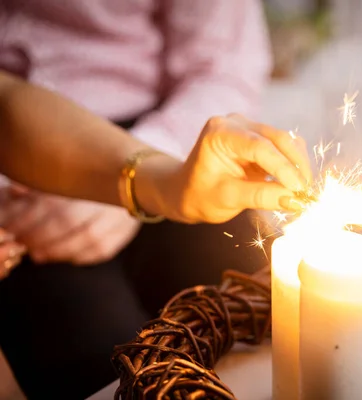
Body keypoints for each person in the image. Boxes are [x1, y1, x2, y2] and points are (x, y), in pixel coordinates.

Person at [0, 1, 299, 395]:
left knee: (278, 331)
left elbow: (224, 66)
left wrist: (141, 176)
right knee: (106, 371)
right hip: (23, 203)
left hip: (173, 140)